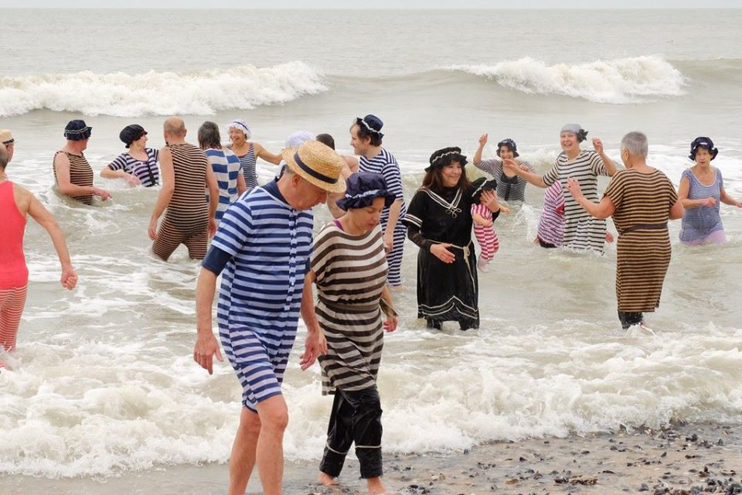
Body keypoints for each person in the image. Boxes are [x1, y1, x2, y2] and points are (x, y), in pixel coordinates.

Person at [192, 140, 346, 495]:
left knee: (254, 422)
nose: (325, 200)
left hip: (281, 331)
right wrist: (204, 333)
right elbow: (208, 271)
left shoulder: (305, 214)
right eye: (321, 191)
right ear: (296, 180)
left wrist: (313, 327)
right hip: (242, 326)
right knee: (276, 416)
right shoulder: (248, 209)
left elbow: (302, 273)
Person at [307, 172, 398, 495]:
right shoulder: (330, 236)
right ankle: (373, 480)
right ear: (354, 206)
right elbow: (305, 280)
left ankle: (327, 472)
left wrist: (389, 308)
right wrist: (312, 330)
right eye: (371, 210)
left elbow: (378, 275)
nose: (377, 217)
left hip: (370, 331)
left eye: (380, 210)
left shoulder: (373, 234)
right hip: (334, 331)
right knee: (368, 401)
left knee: (350, 401)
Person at [566, 132, 683, 329]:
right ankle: (650, 347)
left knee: (628, 310)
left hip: (636, 248)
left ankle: (640, 353)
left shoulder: (623, 177)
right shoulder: (661, 176)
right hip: (661, 248)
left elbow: (601, 212)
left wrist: (579, 197)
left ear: (626, 153)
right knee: (637, 308)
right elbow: (677, 211)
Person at [403, 147, 500, 331]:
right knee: (434, 325)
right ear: (438, 169)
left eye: (459, 166)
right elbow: (412, 232)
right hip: (433, 261)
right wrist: (432, 248)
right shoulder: (423, 195)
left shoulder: (469, 191)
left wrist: (494, 209)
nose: (456, 171)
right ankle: (436, 356)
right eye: (450, 167)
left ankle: (470, 357)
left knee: (470, 324)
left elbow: (485, 221)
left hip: (463, 261)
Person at [0, 144, 77, 369]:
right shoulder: (22, 194)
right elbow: (53, 225)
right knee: (7, 350)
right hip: (18, 283)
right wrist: (67, 267)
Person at [505, 124, 618, 253]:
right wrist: (518, 171)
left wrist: (601, 154)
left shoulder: (590, 157)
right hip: (570, 224)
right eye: (563, 136)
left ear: (579, 139)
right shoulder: (561, 161)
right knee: (573, 265)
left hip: (590, 222)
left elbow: (612, 171)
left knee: (586, 262)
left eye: (570, 136)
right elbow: (543, 181)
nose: (566, 139)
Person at [148, 117, 218, 261]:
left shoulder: (166, 152)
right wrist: (211, 216)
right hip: (200, 219)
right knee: (197, 267)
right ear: (185, 132)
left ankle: (167, 283)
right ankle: (186, 283)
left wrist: (154, 217)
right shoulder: (201, 154)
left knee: (155, 260)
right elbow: (215, 189)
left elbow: (169, 188)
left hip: (177, 219)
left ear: (165, 134)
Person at [349, 115, 406, 287]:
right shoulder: (365, 158)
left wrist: (388, 233)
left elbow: (398, 200)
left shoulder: (386, 164)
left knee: (390, 275)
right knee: (372, 272)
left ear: (366, 140)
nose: (351, 143)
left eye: (353, 138)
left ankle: (395, 312)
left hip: (391, 225)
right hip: (374, 222)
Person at [678, 137, 742, 245]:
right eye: (698, 154)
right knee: (692, 261)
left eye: (705, 153)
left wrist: (736, 203)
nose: (702, 157)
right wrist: (702, 201)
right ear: (694, 156)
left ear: (711, 154)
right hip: (692, 229)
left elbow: (722, 196)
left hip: (714, 226)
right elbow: (680, 201)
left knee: (721, 256)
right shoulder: (688, 175)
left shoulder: (717, 173)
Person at [198, 121, 247, 222]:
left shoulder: (204, 156)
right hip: (233, 211)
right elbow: (242, 187)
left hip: (213, 212)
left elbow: (198, 187)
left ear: (201, 137)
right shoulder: (234, 156)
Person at [53, 120, 111, 205]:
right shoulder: (62, 156)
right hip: (72, 210)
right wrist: (93, 190)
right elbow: (65, 188)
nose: (88, 140)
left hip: (84, 212)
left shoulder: (79, 155)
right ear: (82, 137)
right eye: (87, 137)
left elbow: (82, 184)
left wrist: (99, 191)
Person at [473, 134, 533, 202]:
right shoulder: (496, 165)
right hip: (501, 205)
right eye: (502, 151)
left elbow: (537, 180)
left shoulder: (524, 165)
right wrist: (481, 146)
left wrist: (528, 172)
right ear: (499, 153)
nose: (505, 154)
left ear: (513, 152)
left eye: (509, 151)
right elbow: (477, 163)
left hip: (519, 207)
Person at [227, 119, 282, 188]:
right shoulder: (226, 149)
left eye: (237, 132)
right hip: (232, 192)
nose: (233, 135)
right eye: (231, 132)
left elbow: (276, 160)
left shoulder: (254, 147)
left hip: (251, 190)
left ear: (245, 134)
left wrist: (290, 150)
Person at [316, 132, 358, 219]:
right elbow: (355, 162)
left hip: (345, 216)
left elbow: (355, 183)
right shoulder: (327, 165)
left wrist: (347, 193)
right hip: (337, 217)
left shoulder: (337, 165)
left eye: (316, 147)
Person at [471, 185, 507, 272]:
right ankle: (481, 264)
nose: (493, 195)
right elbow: (475, 216)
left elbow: (497, 206)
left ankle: (487, 260)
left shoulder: (487, 204)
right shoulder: (477, 206)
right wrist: (483, 221)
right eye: (490, 193)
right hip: (482, 231)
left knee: (495, 246)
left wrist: (503, 208)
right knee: (487, 250)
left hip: (489, 229)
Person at [535, 181, 566, 248]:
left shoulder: (552, 182)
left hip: (544, 231)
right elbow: (563, 210)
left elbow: (547, 208)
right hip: (553, 234)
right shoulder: (562, 185)